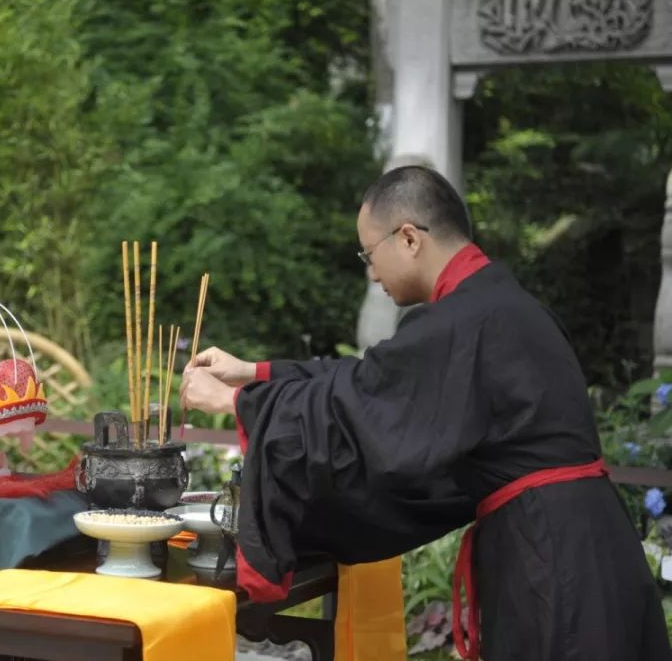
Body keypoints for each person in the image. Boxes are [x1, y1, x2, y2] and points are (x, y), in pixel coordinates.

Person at [180, 165, 672, 661]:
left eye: (369, 254)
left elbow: (367, 403)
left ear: (409, 238)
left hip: (553, 562)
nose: (372, 272)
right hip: (583, 546)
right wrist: (256, 375)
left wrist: (238, 403)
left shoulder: (466, 320)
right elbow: (373, 379)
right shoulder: (495, 304)